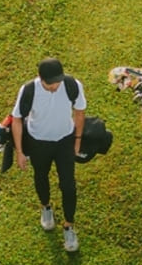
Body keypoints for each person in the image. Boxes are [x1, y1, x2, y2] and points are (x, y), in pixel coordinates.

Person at [11, 57, 87, 253]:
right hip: (39, 143)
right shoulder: (29, 90)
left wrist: (77, 141)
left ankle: (69, 226)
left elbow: (80, 112)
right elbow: (17, 119)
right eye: (50, 83)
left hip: (64, 142)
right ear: (40, 78)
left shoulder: (72, 85)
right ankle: (46, 208)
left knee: (68, 185)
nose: (55, 86)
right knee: (40, 177)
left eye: (57, 82)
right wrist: (20, 152)